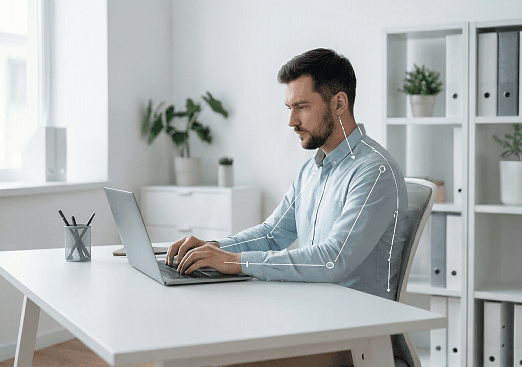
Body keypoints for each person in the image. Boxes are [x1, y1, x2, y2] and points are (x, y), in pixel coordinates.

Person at [165, 48, 409, 367]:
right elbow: (272, 235)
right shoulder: (313, 169)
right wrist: (213, 248)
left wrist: (236, 262)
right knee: (192, 345)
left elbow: (333, 260)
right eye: (289, 108)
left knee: (209, 359)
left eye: (302, 107)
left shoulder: (374, 172)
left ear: (339, 103)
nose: (292, 121)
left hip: (353, 336)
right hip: (311, 315)